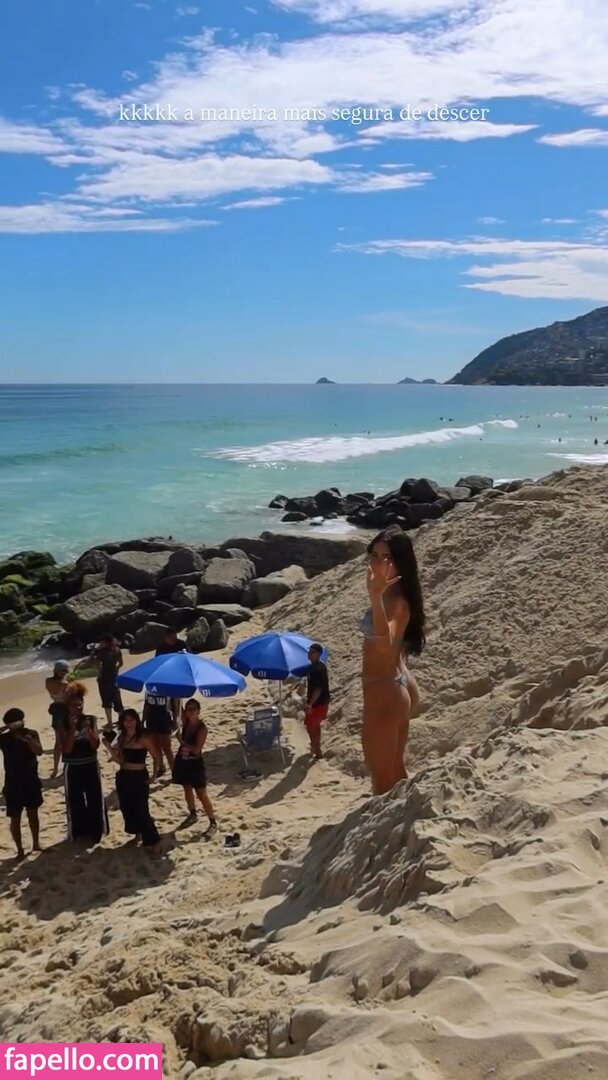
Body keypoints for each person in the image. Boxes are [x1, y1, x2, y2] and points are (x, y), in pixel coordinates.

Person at [360, 525, 425, 796]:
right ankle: (406, 812)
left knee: (381, 779)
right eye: (374, 555)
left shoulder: (396, 601)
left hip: (384, 692)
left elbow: (384, 644)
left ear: (401, 562)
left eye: (386, 557)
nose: (378, 563)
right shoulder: (392, 593)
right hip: (395, 681)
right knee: (395, 769)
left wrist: (375, 597)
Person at [57, 682, 109, 844]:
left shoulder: (90, 720)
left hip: (90, 763)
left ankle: (96, 830)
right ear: (68, 706)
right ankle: (78, 831)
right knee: (75, 799)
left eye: (80, 705)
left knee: (95, 797)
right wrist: (72, 729)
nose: (78, 708)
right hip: (72, 766)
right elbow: (66, 749)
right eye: (75, 705)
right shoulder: (62, 723)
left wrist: (87, 730)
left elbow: (95, 745)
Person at [106, 709, 162, 855]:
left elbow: (156, 756)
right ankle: (138, 835)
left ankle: (155, 842)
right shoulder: (122, 738)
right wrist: (109, 748)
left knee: (142, 810)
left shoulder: (143, 738)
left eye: (132, 720)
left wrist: (155, 775)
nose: (129, 723)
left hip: (139, 777)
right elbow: (120, 761)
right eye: (126, 720)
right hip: (124, 776)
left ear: (137, 721)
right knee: (127, 808)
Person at [1, 708, 43, 859]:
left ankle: (36, 843)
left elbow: (39, 751)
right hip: (12, 781)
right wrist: (4, 729)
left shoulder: (31, 734)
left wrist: (27, 740)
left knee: (33, 813)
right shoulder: (4, 738)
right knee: (15, 817)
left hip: (30, 779)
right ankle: (20, 850)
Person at [172, 699, 217, 838]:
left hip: (195, 763)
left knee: (201, 794)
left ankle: (212, 821)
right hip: (183, 761)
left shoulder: (202, 728)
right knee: (187, 788)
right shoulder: (185, 722)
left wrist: (181, 741)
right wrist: (176, 697)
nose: (190, 711)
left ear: (198, 711)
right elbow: (178, 707)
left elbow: (197, 750)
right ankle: (192, 813)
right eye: (188, 709)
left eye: (193, 709)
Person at [155, 627, 187, 727]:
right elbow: (157, 662)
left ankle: (177, 723)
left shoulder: (181, 645)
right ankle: (178, 722)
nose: (171, 639)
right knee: (172, 702)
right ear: (165, 637)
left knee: (176, 701)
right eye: (169, 637)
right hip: (166, 676)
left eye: (173, 637)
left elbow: (188, 658)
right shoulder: (161, 648)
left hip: (179, 676)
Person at [45, 659, 70, 778]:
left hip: (56, 710)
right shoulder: (65, 684)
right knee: (68, 740)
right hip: (65, 710)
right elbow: (68, 698)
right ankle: (65, 766)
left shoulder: (48, 681)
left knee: (58, 742)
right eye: (64, 670)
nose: (65, 673)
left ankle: (55, 768)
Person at [93, 634, 124, 732]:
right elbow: (121, 663)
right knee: (117, 700)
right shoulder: (117, 650)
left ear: (106, 642)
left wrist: (95, 650)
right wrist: (116, 669)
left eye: (102, 642)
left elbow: (94, 663)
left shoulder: (102, 653)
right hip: (114, 677)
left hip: (103, 679)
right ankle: (121, 720)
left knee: (106, 701)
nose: (100, 643)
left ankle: (110, 722)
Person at [305, 643, 330, 760]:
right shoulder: (312, 667)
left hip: (319, 703)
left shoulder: (319, 669)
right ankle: (315, 746)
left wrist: (310, 704)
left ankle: (318, 751)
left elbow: (318, 689)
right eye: (309, 651)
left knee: (312, 727)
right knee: (312, 726)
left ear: (319, 654)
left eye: (312, 652)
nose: (309, 654)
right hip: (316, 702)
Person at [142, 688, 175, 776]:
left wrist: (175, 721)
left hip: (164, 719)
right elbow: (146, 705)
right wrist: (143, 721)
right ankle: (161, 766)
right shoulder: (149, 688)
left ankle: (174, 771)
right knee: (155, 746)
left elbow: (174, 706)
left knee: (167, 748)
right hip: (151, 719)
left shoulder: (168, 688)